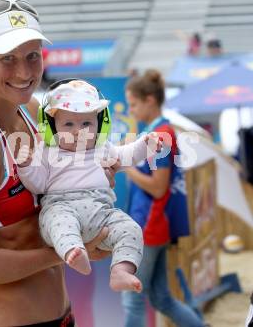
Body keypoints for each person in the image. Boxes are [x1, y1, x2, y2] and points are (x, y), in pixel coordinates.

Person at [0, 0, 116, 326]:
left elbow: (51, 197)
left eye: (32, 56)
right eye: (8, 58)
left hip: (61, 316)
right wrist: (67, 253)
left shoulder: (33, 111)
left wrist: (88, 178)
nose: (24, 72)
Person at [16, 79, 163, 292]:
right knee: (60, 224)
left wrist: (145, 145)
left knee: (131, 229)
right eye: (68, 124)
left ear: (100, 123)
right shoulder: (47, 153)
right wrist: (27, 167)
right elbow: (38, 184)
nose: (78, 132)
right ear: (52, 126)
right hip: (61, 206)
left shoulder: (103, 148)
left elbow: (126, 155)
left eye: (86, 124)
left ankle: (121, 270)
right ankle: (73, 252)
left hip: (102, 212)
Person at [121, 69, 206, 327]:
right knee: (161, 298)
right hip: (153, 224)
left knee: (132, 298)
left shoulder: (161, 134)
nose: (131, 110)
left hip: (150, 225)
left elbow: (158, 188)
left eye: (133, 104)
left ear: (150, 100)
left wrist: (127, 167)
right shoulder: (158, 131)